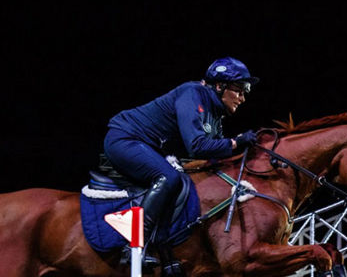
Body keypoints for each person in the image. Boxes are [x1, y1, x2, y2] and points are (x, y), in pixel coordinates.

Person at [100, 56, 260, 262]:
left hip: (145, 145)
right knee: (168, 178)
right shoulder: (192, 93)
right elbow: (197, 147)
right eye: (239, 89)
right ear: (220, 86)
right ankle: (133, 246)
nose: (242, 97)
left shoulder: (215, 114)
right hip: (124, 138)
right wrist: (236, 143)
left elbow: (215, 156)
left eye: (245, 91)